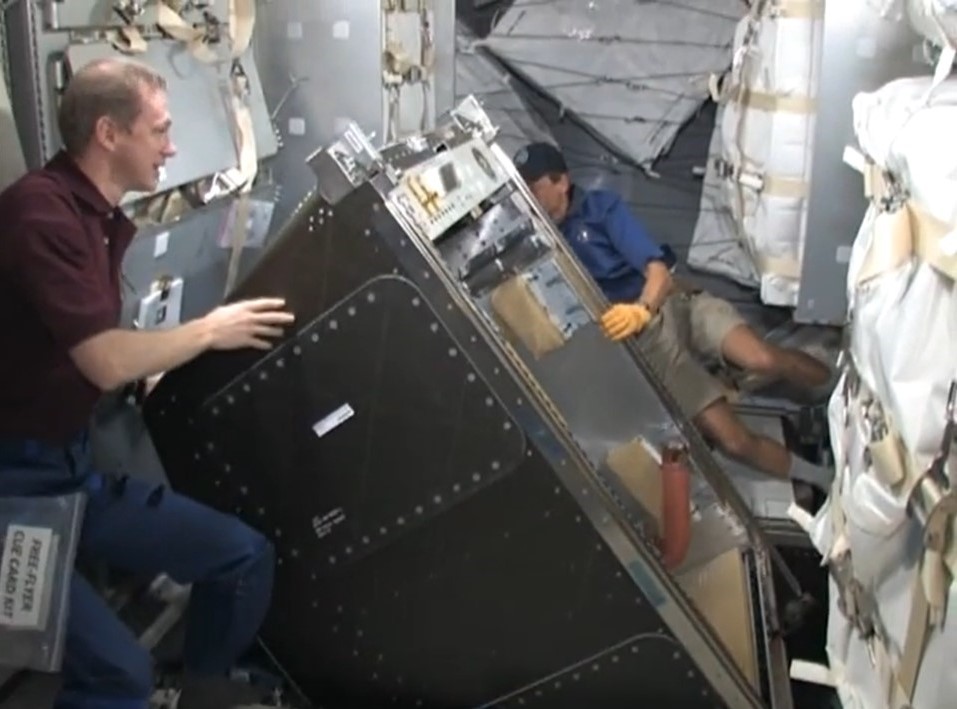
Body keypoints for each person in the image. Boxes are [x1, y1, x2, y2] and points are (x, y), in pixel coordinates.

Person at [0, 58, 295, 708]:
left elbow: (80, 343)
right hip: (13, 490)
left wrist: (151, 359)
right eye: (159, 130)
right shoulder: (38, 216)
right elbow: (101, 359)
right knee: (116, 675)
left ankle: (195, 692)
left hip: (69, 470)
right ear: (109, 133)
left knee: (242, 558)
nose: (172, 146)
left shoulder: (95, 217)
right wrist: (209, 331)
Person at [513, 142, 833, 491]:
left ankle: (836, 386)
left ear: (562, 182)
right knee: (733, 441)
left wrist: (642, 310)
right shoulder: (539, 245)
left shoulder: (600, 210)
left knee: (763, 358)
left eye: (534, 186)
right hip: (647, 346)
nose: (530, 196)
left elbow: (658, 272)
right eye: (524, 188)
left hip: (670, 303)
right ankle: (825, 480)